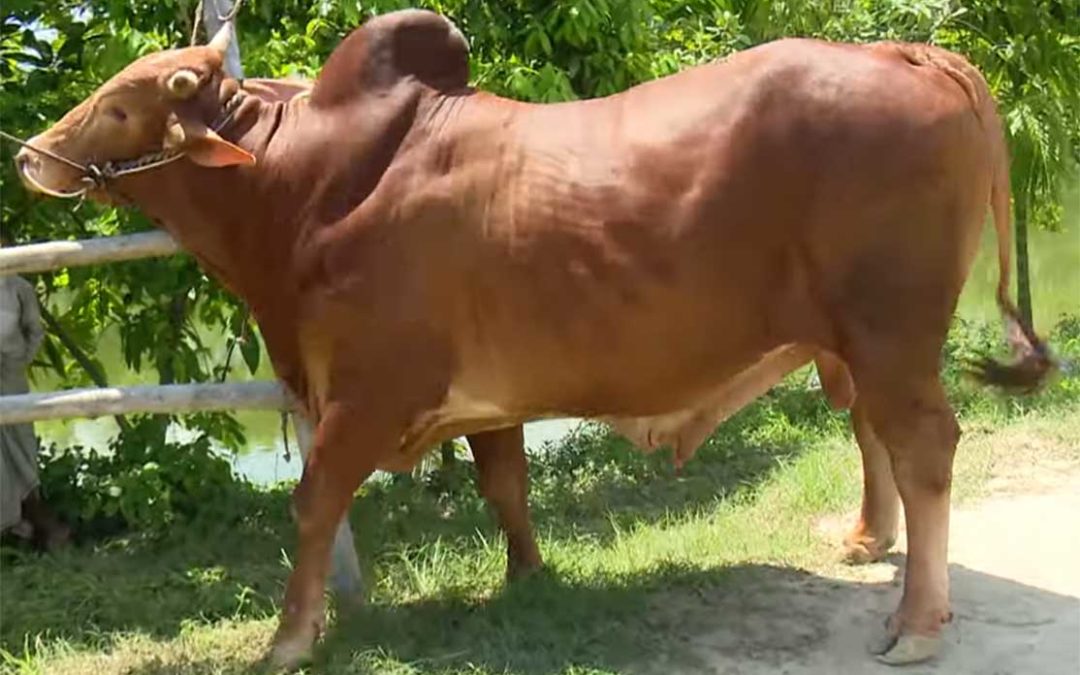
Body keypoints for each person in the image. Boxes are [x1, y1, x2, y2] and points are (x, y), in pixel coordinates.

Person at [0, 236, 70, 551]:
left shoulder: (20, 289)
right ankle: (17, 527)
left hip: (11, 379)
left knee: (22, 449)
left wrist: (17, 361)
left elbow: (34, 333)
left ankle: (39, 524)